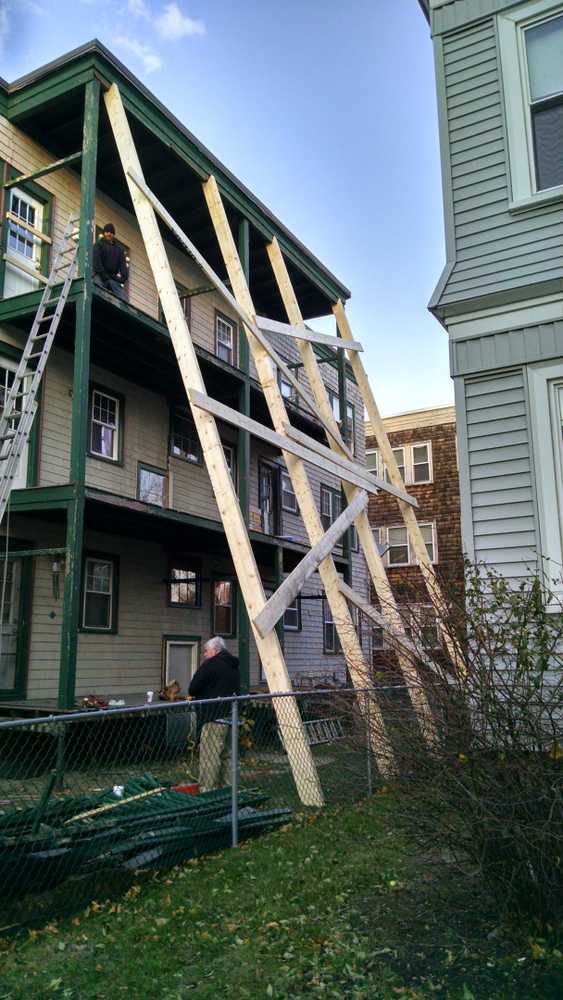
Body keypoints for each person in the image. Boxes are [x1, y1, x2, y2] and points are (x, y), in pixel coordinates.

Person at [188, 636, 240, 792]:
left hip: (213, 717)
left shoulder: (210, 665)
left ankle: (207, 789)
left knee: (210, 756)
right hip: (232, 715)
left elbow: (193, 688)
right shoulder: (233, 665)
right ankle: (228, 789)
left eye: (206, 651)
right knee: (228, 755)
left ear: (216, 650)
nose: (204, 654)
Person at [93, 223, 129, 299]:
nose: (109, 234)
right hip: (99, 276)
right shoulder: (98, 245)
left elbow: (124, 270)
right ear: (104, 233)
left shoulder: (119, 251)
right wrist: (104, 276)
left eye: (111, 232)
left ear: (113, 234)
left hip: (112, 279)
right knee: (97, 292)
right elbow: (97, 264)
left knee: (124, 300)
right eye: (107, 232)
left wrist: (119, 279)